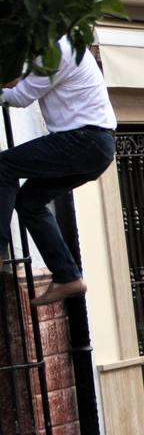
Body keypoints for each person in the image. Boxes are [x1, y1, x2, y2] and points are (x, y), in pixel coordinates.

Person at [0, 36, 117, 306]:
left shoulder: (55, 50)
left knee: (4, 166)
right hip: (96, 145)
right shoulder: (67, 44)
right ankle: (67, 276)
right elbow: (27, 83)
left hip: (82, 140)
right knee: (29, 201)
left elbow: (20, 97)